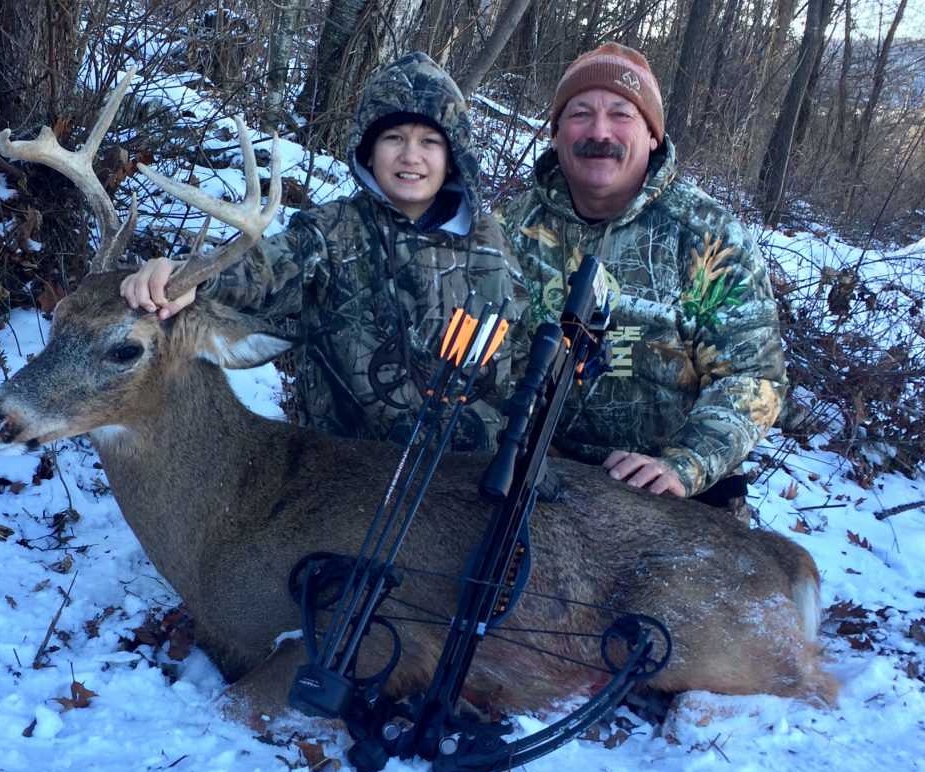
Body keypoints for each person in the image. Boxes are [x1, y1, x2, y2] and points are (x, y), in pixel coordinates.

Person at [121, 52, 526, 453]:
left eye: (429, 141)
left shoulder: (491, 242)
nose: (411, 155)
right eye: (394, 138)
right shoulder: (332, 231)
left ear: (452, 158)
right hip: (345, 475)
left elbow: (521, 351)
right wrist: (193, 279)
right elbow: (264, 270)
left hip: (473, 474)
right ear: (368, 152)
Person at [495, 43, 787, 514]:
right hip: (538, 472)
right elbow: (485, 356)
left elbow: (754, 378)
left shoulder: (708, 237)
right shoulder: (512, 228)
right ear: (555, 133)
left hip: (669, 489)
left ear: (652, 135)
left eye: (621, 114)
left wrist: (684, 465)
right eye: (580, 114)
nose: (599, 132)